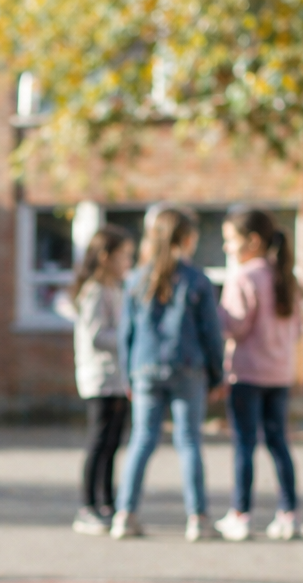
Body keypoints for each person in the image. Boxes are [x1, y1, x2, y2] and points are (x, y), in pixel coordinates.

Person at [110, 206, 226, 541]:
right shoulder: (197, 280)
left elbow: (126, 334)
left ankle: (125, 514)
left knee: (142, 440)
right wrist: (217, 373)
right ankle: (198, 518)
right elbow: (211, 333)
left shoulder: (136, 279)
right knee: (188, 441)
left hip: (145, 367)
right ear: (187, 239)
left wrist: (128, 375)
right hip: (187, 365)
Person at [213, 207, 303, 542]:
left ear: (252, 241)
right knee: (279, 444)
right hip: (279, 374)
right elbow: (297, 329)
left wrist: (215, 314)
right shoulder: (288, 278)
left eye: (230, 240)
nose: (226, 247)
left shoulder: (244, 277)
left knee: (244, 445)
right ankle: (288, 513)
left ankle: (241, 514)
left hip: (248, 375)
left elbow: (234, 326)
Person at [57, 225, 135, 535]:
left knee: (113, 443)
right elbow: (96, 336)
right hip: (101, 378)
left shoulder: (116, 289)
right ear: (105, 257)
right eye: (124, 256)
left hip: (118, 377)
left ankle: (107, 502)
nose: (128, 262)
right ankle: (87, 506)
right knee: (99, 442)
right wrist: (129, 337)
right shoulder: (94, 291)